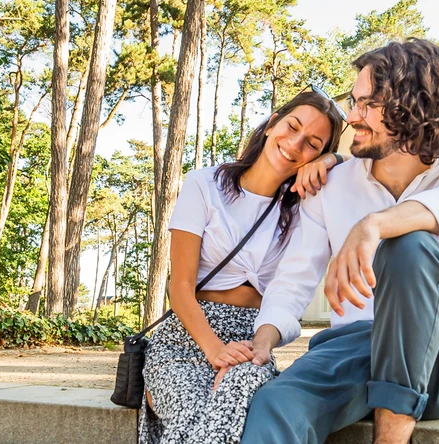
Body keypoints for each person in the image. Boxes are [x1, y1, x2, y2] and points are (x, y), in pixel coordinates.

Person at [240, 38, 439, 444]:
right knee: (275, 404)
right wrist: (263, 340)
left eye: (365, 104)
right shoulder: (330, 184)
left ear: (411, 107)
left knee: (410, 245)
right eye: (353, 101)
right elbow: (293, 279)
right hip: (353, 351)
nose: (352, 116)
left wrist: (373, 225)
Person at [139, 90, 347, 444]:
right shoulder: (204, 184)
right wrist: (214, 349)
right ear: (270, 125)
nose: (295, 144)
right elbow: (180, 288)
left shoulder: (306, 209)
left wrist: (334, 161)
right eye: (292, 127)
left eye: (313, 144)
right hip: (188, 335)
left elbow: (365, 169)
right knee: (191, 412)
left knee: (234, 402)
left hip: (253, 340)